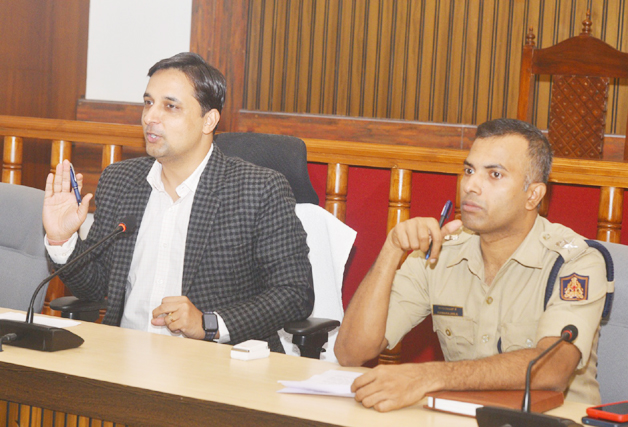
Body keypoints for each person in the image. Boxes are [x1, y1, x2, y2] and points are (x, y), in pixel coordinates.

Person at [43, 52, 314, 353]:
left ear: (208, 120)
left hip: (217, 364)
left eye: (170, 106)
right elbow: (97, 287)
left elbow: (294, 293)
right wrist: (62, 239)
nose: (150, 117)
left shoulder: (258, 189)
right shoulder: (120, 181)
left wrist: (210, 323)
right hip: (124, 357)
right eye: (148, 103)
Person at [335, 118, 607, 411]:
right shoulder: (440, 253)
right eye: (468, 171)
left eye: (494, 174)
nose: (471, 186)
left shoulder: (575, 261)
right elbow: (351, 352)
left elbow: (553, 368)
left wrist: (429, 376)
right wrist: (391, 249)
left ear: (533, 195)